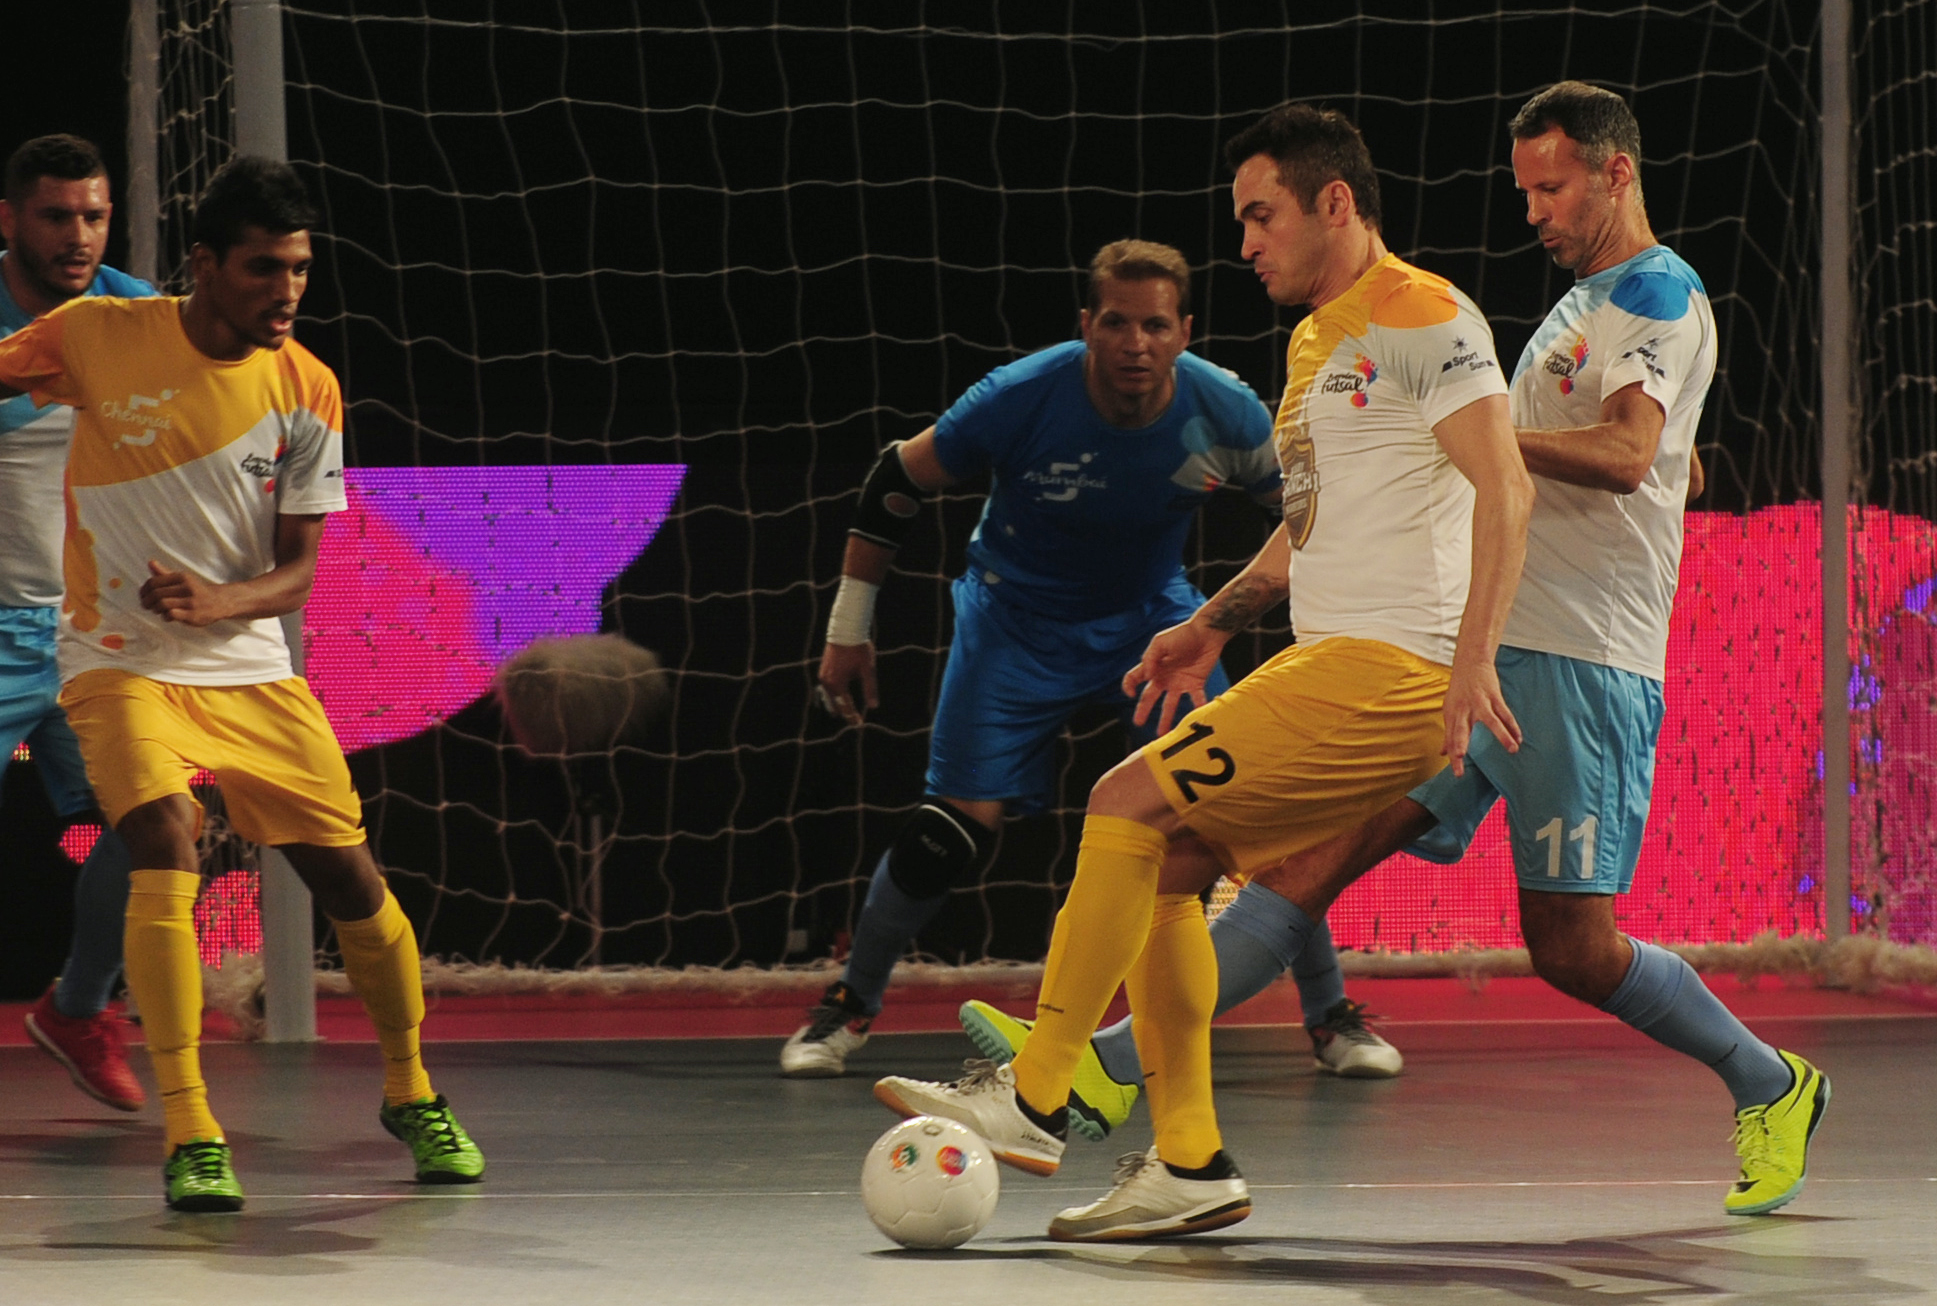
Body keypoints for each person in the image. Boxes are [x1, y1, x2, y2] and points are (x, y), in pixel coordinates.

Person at [1060, 82, 1827, 1219]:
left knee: (1570, 948)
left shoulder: (1660, 291)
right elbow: (1672, 465)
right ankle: (1099, 1061)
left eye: (1551, 187)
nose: (1532, 211)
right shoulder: (1576, 310)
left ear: (1616, 173)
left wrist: (1459, 428)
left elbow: (1624, 453)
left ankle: (1773, 1082)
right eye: (1523, 190)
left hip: (1578, 663)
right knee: (1302, 867)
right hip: (1469, 651)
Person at [875, 104, 1534, 1241]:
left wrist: (1472, 658)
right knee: (1168, 867)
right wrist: (1216, 623)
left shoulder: (1421, 313)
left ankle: (1034, 1090)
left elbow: (1507, 484)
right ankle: (1187, 1161)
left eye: (1259, 213)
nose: (1244, 242)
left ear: (1335, 201)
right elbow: (1316, 523)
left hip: (1394, 672)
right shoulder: (1318, 339)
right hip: (1341, 660)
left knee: (1119, 799)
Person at [787, 238, 1406, 1106]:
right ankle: (847, 1006)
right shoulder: (1017, 398)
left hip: (1153, 627)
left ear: (1184, 331)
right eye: (1115, 322)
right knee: (947, 833)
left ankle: (1331, 1014)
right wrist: (848, 630)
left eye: (1155, 325)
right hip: (1011, 623)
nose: (1134, 343)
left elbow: (1310, 517)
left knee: (1249, 812)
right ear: (1086, 325)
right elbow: (894, 482)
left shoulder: (1224, 412)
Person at [0, 155, 485, 1213]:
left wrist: (222, 603)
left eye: (300, 271)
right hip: (116, 656)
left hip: (248, 664)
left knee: (350, 878)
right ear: (206, 265)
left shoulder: (307, 386)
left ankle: (411, 1089)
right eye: (265, 269)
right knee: (162, 835)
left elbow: (300, 568)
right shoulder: (97, 334)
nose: (287, 292)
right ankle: (192, 1125)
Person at [0, 134, 148, 1113]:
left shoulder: (139, 318)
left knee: (153, 821)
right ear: (9, 219)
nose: (78, 236)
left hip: (92, 637)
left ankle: (79, 1005)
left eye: (93, 215)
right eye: (57, 215)